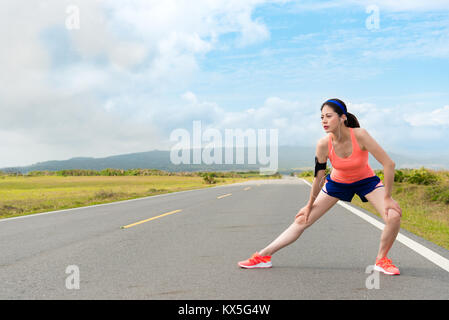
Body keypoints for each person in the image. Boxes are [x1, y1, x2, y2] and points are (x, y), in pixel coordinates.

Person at [238, 98, 403, 275]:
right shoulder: (323, 144)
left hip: (366, 181)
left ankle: (381, 260)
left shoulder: (360, 135)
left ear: (342, 118)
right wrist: (309, 205)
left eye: (328, 116)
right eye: (322, 117)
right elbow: (318, 177)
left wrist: (387, 198)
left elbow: (389, 164)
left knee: (393, 215)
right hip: (337, 184)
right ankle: (263, 257)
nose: (323, 121)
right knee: (302, 220)